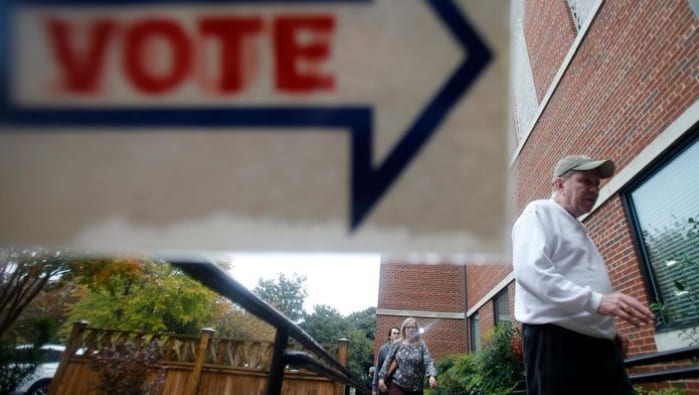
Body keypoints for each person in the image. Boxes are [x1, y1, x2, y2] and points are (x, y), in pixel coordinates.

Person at [512, 154, 655, 395]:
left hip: (597, 345)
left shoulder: (578, 227)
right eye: (585, 181)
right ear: (559, 184)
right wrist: (598, 302)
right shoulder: (539, 212)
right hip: (556, 342)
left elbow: (580, 282)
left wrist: (606, 331)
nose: (594, 189)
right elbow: (532, 273)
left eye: (597, 184)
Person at [377, 317, 437, 395]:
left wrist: (432, 376)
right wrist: (381, 378)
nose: (411, 329)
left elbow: (428, 362)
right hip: (397, 385)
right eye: (408, 327)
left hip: (416, 389)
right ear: (404, 329)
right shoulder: (397, 344)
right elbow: (387, 361)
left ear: (416, 330)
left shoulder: (422, 345)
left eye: (413, 327)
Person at [373, 326, 400, 395]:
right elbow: (378, 368)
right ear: (390, 336)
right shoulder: (383, 349)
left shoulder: (403, 350)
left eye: (398, 333)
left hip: (398, 385)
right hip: (384, 383)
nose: (396, 335)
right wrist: (374, 388)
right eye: (394, 333)